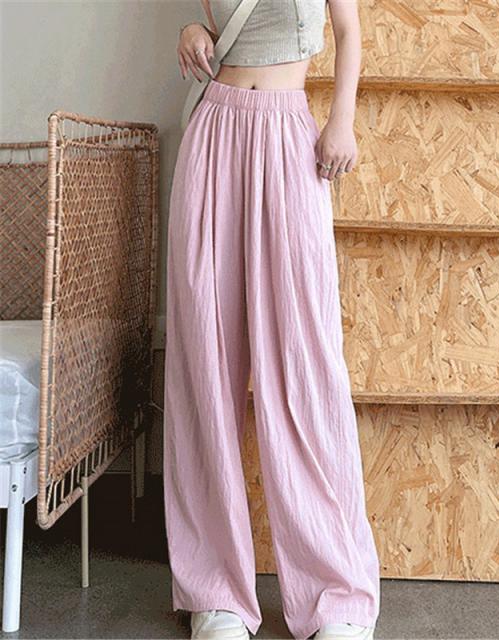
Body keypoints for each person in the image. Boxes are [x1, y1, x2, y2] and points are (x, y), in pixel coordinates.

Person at [163, 1, 380, 638]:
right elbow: (216, 26)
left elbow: (349, 31)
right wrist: (192, 29)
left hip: (289, 134)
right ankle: (216, 593)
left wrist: (342, 120)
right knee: (207, 361)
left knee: (303, 365)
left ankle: (335, 594)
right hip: (214, 133)